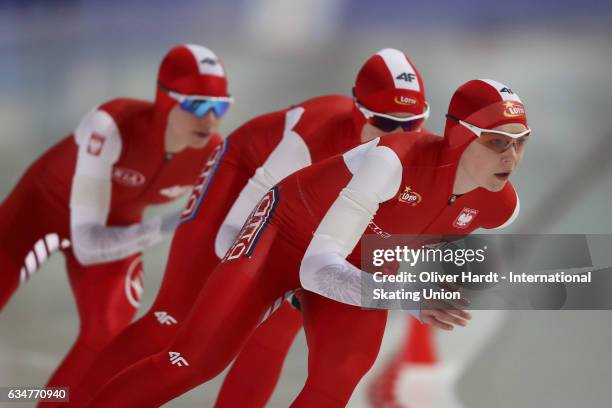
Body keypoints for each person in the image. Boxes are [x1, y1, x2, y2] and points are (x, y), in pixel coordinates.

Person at [86, 78, 529, 407]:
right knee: (195, 361)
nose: (511, 157)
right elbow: (316, 268)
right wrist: (409, 297)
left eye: (520, 143)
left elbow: (414, 233)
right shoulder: (393, 160)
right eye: (496, 142)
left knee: (336, 383)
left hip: (360, 257)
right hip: (287, 233)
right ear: (458, 135)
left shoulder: (500, 206)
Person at [68, 48, 430, 407]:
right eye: (384, 123)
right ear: (357, 109)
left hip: (302, 210)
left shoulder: (414, 160)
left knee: (274, 334)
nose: (399, 135)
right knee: (174, 317)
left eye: (412, 124)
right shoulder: (308, 140)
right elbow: (235, 234)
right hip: (244, 181)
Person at [0, 44, 232, 399]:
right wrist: (167, 225)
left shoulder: (213, 155)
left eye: (220, 107)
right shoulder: (110, 125)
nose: (211, 119)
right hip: (41, 208)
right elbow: (90, 245)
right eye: (197, 105)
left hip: (117, 225)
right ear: (167, 101)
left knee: (108, 332)